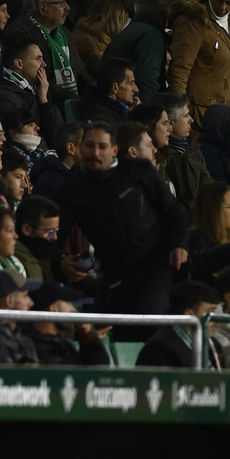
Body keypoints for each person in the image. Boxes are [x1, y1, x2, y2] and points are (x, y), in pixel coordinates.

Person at [57, 121, 190, 315]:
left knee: (150, 318)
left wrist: (179, 243)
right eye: (89, 145)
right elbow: (54, 233)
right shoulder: (72, 189)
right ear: (81, 148)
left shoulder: (139, 171)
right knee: (112, 326)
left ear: (114, 150)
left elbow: (174, 211)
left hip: (156, 267)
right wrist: (60, 261)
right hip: (113, 275)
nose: (95, 152)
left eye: (102, 146)